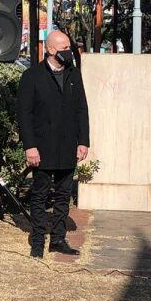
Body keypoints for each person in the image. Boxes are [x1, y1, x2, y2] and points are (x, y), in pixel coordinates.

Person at [17, 30, 90, 259]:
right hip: (41, 147)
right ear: (49, 50)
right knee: (39, 195)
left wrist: (83, 141)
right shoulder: (32, 76)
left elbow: (82, 109)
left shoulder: (74, 74)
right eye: (63, 48)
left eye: (69, 46)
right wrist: (30, 146)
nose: (67, 52)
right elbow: (24, 115)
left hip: (67, 146)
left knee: (63, 195)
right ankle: (38, 240)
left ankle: (58, 239)